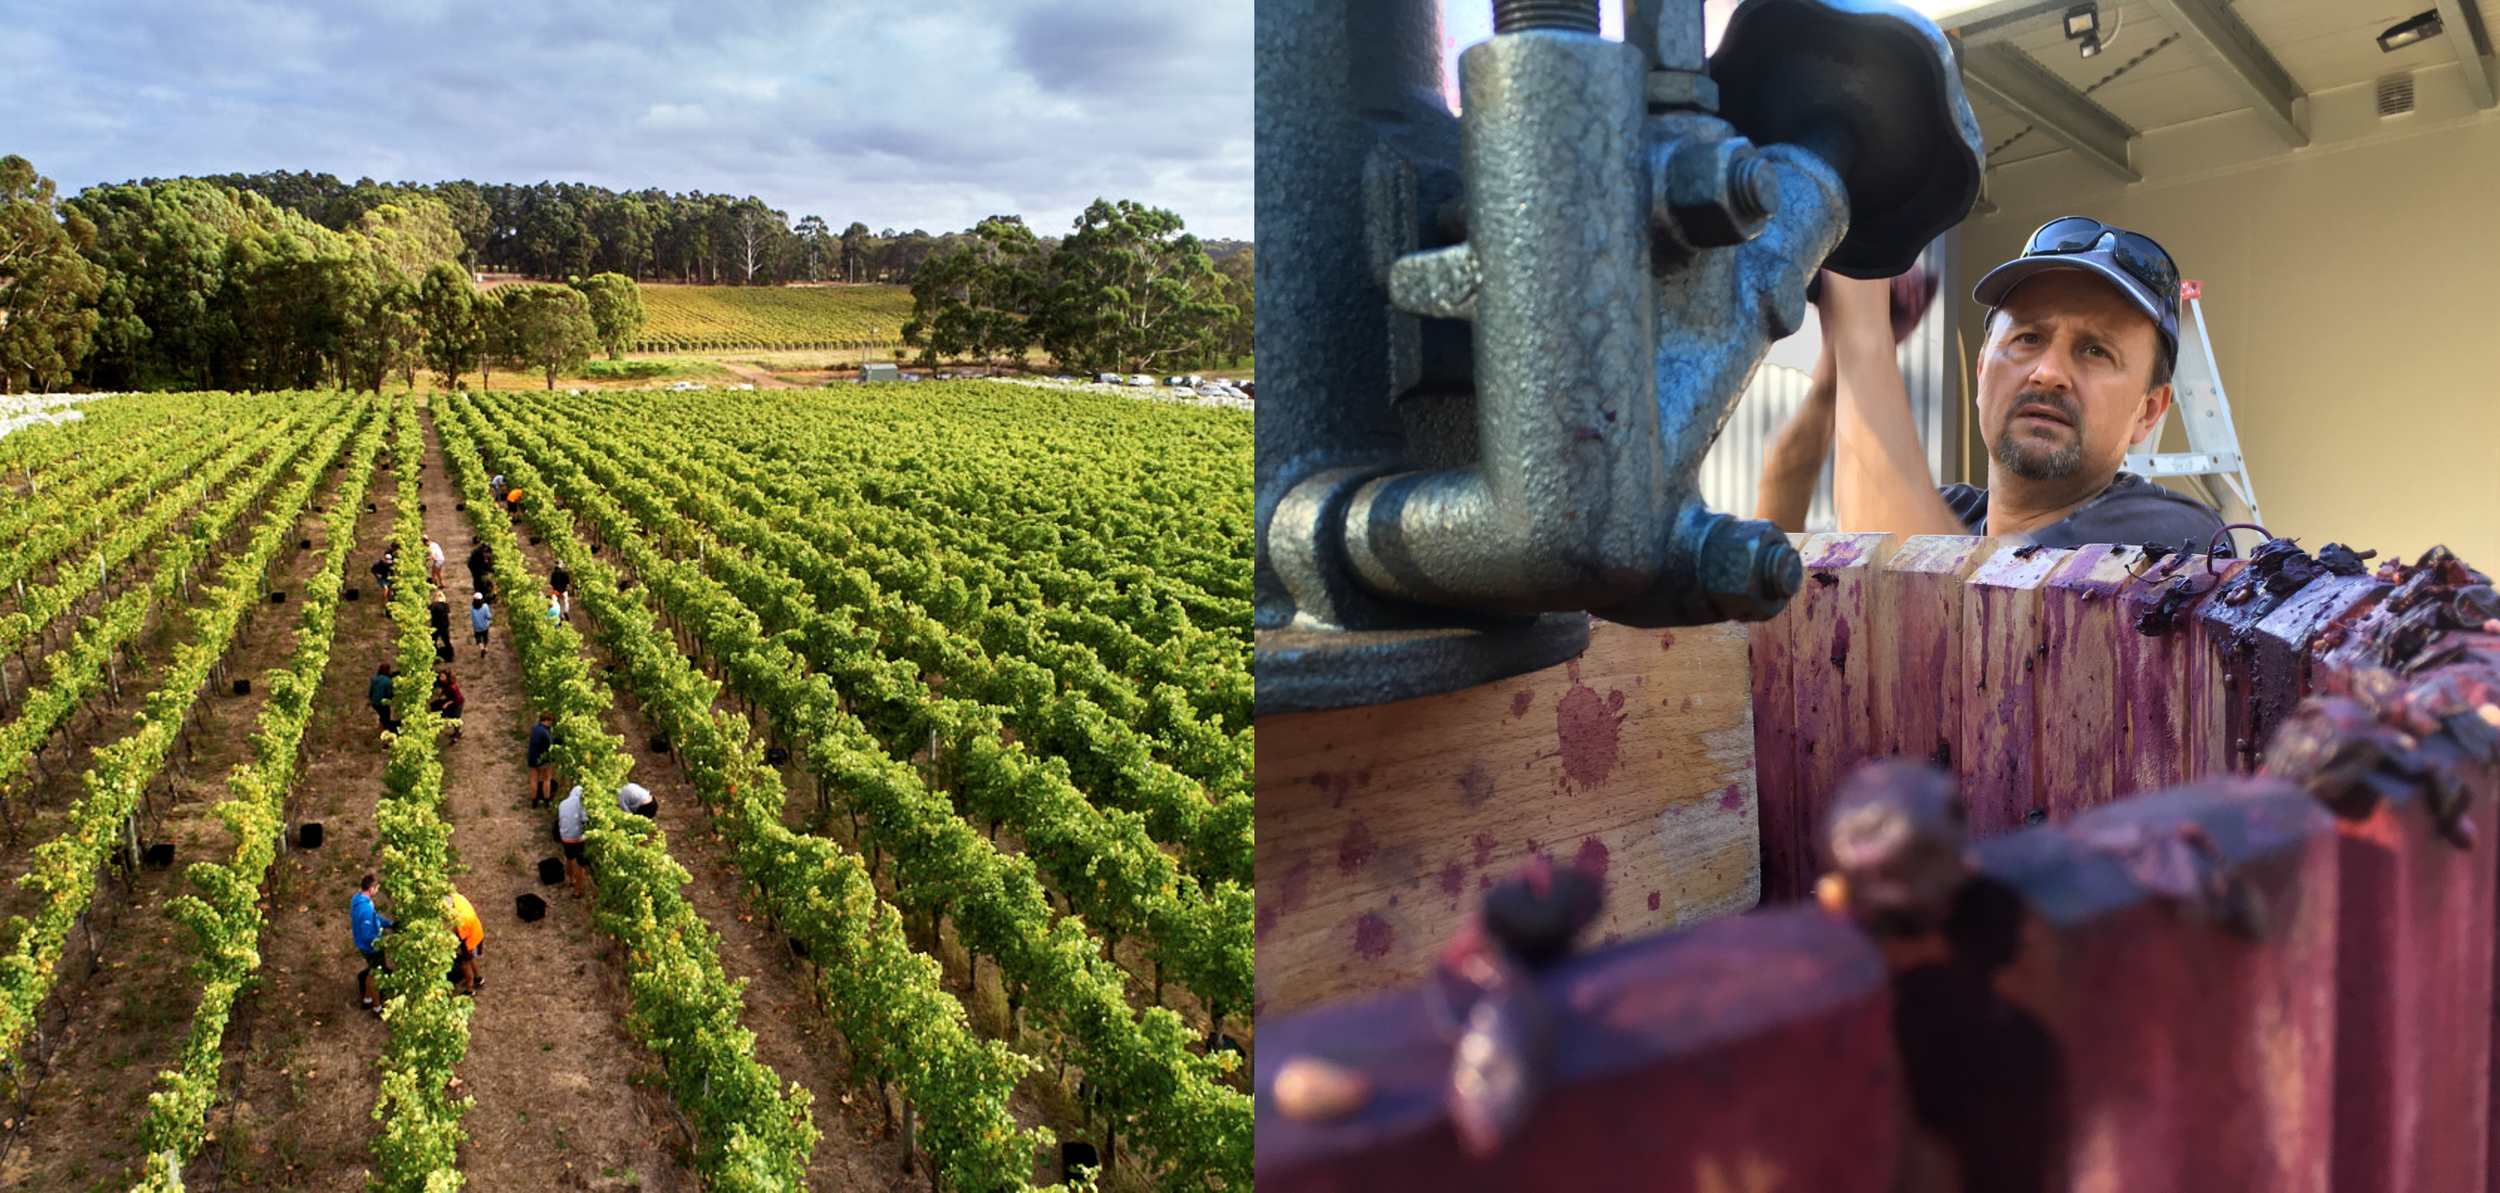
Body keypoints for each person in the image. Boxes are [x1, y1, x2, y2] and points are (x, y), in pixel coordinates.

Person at [1758, 217, 2224, 551]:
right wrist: (1831, 373)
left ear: (2148, 411)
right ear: (1981, 373)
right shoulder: (1951, 512)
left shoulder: (2174, 539)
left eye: (2095, 351)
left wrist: (1863, 327)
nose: (2048, 372)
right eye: (2028, 337)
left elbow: (1924, 622)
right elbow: (1766, 564)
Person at [351, 873, 394, 1013]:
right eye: (377, 888)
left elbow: (374, 918)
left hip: (365, 945)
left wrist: (389, 924)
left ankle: (367, 998)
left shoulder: (359, 900)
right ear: (371, 889)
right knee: (376, 975)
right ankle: (377, 1006)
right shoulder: (365, 909)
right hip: (371, 948)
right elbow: (367, 934)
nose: (377, 891)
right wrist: (383, 942)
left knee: (372, 972)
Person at [447, 889, 485, 995]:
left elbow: (459, 936)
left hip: (470, 941)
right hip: (477, 934)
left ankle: (469, 989)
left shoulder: (462, 919)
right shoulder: (457, 898)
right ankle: (478, 978)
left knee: (465, 965)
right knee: (472, 958)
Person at [556, 783, 589, 897]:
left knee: (569, 858)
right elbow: (585, 819)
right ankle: (577, 891)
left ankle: (571, 880)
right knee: (582, 865)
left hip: (565, 836)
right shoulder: (581, 803)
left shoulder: (562, 803)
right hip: (578, 838)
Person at [528, 710, 558, 805]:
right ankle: (546, 800)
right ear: (548, 721)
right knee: (546, 779)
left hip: (532, 756)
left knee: (534, 779)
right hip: (543, 758)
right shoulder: (545, 731)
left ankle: (534, 800)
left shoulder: (535, 727)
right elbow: (550, 745)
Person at [430, 667, 466, 741]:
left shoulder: (453, 687)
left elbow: (457, 698)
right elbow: (444, 690)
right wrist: (439, 696)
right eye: (440, 676)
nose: (440, 678)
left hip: (458, 703)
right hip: (450, 700)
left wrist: (447, 703)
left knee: (455, 718)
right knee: (435, 705)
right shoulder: (445, 684)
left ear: (447, 677)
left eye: (442, 676)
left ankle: (456, 735)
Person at [367, 663, 398, 734]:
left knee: (382, 716)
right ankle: (384, 732)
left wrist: (370, 699)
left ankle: (380, 730)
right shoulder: (387, 681)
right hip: (382, 703)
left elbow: (371, 690)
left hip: (374, 702)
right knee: (386, 718)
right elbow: (389, 693)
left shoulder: (374, 678)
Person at [428, 588, 453, 654]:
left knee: (432, 641)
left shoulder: (433, 605)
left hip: (435, 625)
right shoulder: (445, 605)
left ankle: (436, 653)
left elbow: (427, 612)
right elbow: (449, 615)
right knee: (446, 641)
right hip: (444, 625)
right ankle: (449, 654)